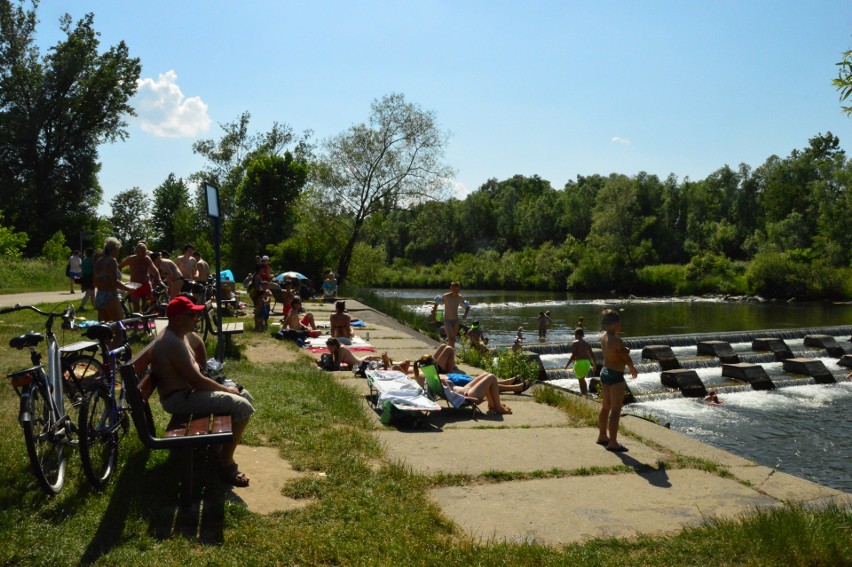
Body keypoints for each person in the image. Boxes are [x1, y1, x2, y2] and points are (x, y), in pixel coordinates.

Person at [151, 296, 254, 487]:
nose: (196, 319)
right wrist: (226, 389)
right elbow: (197, 382)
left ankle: (216, 450)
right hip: (179, 399)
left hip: (188, 393)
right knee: (242, 406)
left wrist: (203, 366)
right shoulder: (171, 342)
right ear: (179, 318)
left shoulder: (180, 333)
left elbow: (198, 342)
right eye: (192, 315)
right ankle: (225, 463)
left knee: (245, 396)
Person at [412, 356, 512, 415]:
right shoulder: (438, 379)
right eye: (435, 361)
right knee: (492, 377)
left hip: (464, 390)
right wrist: (466, 398)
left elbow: (444, 392)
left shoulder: (431, 377)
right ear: (432, 365)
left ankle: (492, 405)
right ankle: (497, 408)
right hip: (466, 395)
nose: (437, 362)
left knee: (485, 375)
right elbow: (451, 393)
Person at [597, 309, 637, 452]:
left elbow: (615, 350)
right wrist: (632, 368)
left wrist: (623, 350)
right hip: (616, 374)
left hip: (605, 371)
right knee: (615, 410)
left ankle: (602, 435)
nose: (620, 325)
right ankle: (613, 442)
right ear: (615, 324)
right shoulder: (617, 340)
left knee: (605, 406)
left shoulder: (603, 336)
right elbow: (625, 357)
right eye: (619, 322)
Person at [93, 237, 134, 322]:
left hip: (100, 296)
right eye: (118, 250)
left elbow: (95, 281)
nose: (118, 253)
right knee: (119, 326)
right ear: (113, 249)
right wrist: (129, 289)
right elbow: (114, 282)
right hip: (110, 296)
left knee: (106, 328)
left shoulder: (99, 261)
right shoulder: (112, 260)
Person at [119, 242, 163, 312]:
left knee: (145, 307)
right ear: (137, 251)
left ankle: (144, 322)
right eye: (141, 252)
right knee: (136, 307)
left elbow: (154, 269)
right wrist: (119, 278)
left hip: (145, 284)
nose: (143, 254)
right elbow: (119, 267)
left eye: (145, 252)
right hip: (134, 285)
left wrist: (160, 280)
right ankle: (135, 322)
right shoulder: (131, 259)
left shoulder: (146, 258)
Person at [565, 327, 596, 396]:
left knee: (580, 380)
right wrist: (594, 365)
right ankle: (585, 394)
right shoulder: (587, 343)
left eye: (575, 334)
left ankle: (584, 394)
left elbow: (574, 355)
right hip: (587, 363)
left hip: (579, 363)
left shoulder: (575, 343)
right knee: (582, 379)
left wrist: (567, 365)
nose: (574, 336)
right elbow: (592, 355)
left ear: (577, 334)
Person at [440, 282, 469, 348]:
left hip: (456, 320)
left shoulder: (460, 298)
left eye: (458, 290)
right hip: (447, 320)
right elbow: (437, 302)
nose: (456, 291)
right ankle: (450, 352)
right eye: (455, 290)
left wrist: (465, 315)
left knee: (453, 339)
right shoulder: (446, 296)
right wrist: (434, 316)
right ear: (451, 289)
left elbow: (467, 307)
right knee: (451, 339)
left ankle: (450, 352)